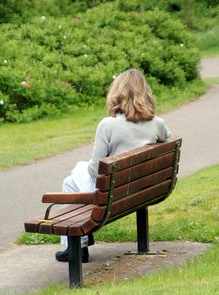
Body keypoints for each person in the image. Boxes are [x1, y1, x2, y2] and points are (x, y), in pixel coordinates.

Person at [55, 68, 171, 263]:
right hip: (138, 190)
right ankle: (77, 244)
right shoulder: (157, 123)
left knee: (76, 172)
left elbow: (94, 171)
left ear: (117, 94)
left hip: (112, 194)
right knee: (70, 182)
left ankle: (77, 246)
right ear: (146, 94)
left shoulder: (108, 125)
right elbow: (167, 136)